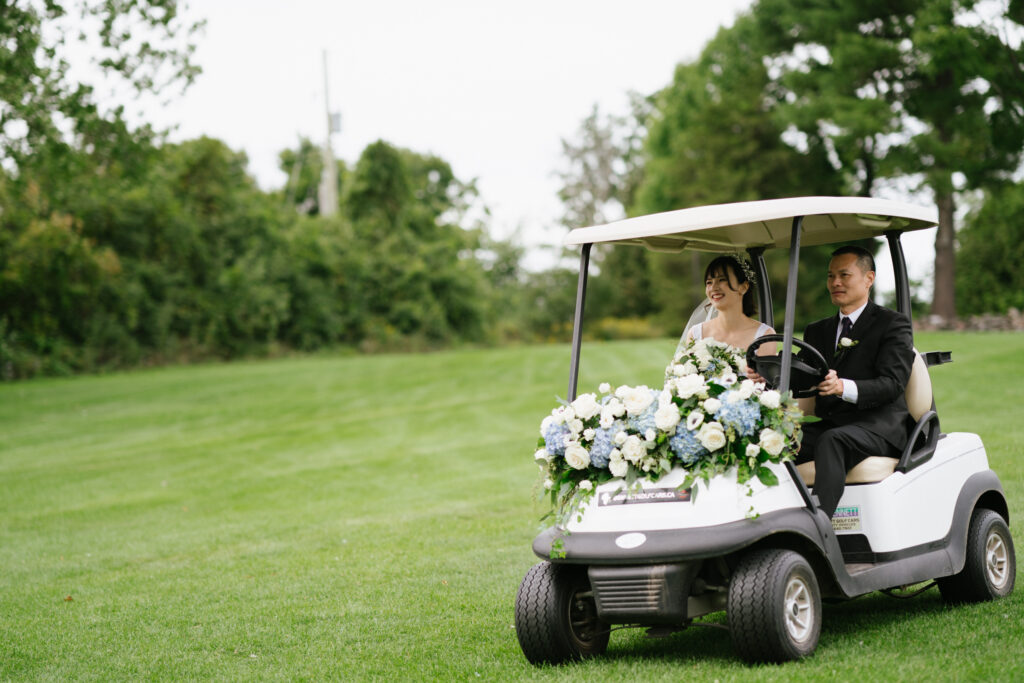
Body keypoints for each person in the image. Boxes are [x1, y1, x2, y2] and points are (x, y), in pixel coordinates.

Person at [797, 245, 915, 518]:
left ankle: (820, 527)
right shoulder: (818, 331)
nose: (835, 283)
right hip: (836, 424)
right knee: (776, 439)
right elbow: (802, 374)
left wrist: (843, 387)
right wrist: (769, 372)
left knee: (832, 440)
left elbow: (892, 384)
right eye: (830, 276)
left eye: (844, 275)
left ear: (868, 279)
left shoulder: (892, 324)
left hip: (879, 427)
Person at [675, 255, 775, 355]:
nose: (713, 288)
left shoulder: (765, 335)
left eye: (722, 280)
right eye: (709, 282)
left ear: (744, 287)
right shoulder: (696, 333)